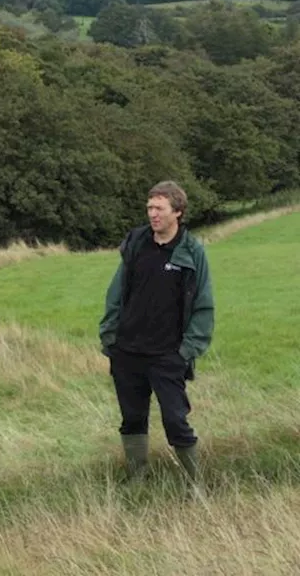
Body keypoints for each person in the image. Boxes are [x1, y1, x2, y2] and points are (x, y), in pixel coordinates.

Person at [98, 181, 215, 485]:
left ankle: (195, 485)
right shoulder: (136, 244)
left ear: (177, 211)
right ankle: (138, 480)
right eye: (149, 207)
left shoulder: (191, 252)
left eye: (159, 208)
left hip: (168, 355)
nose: (152, 214)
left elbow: (203, 304)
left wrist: (187, 352)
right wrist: (110, 338)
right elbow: (115, 293)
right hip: (127, 351)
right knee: (132, 420)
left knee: (176, 421)